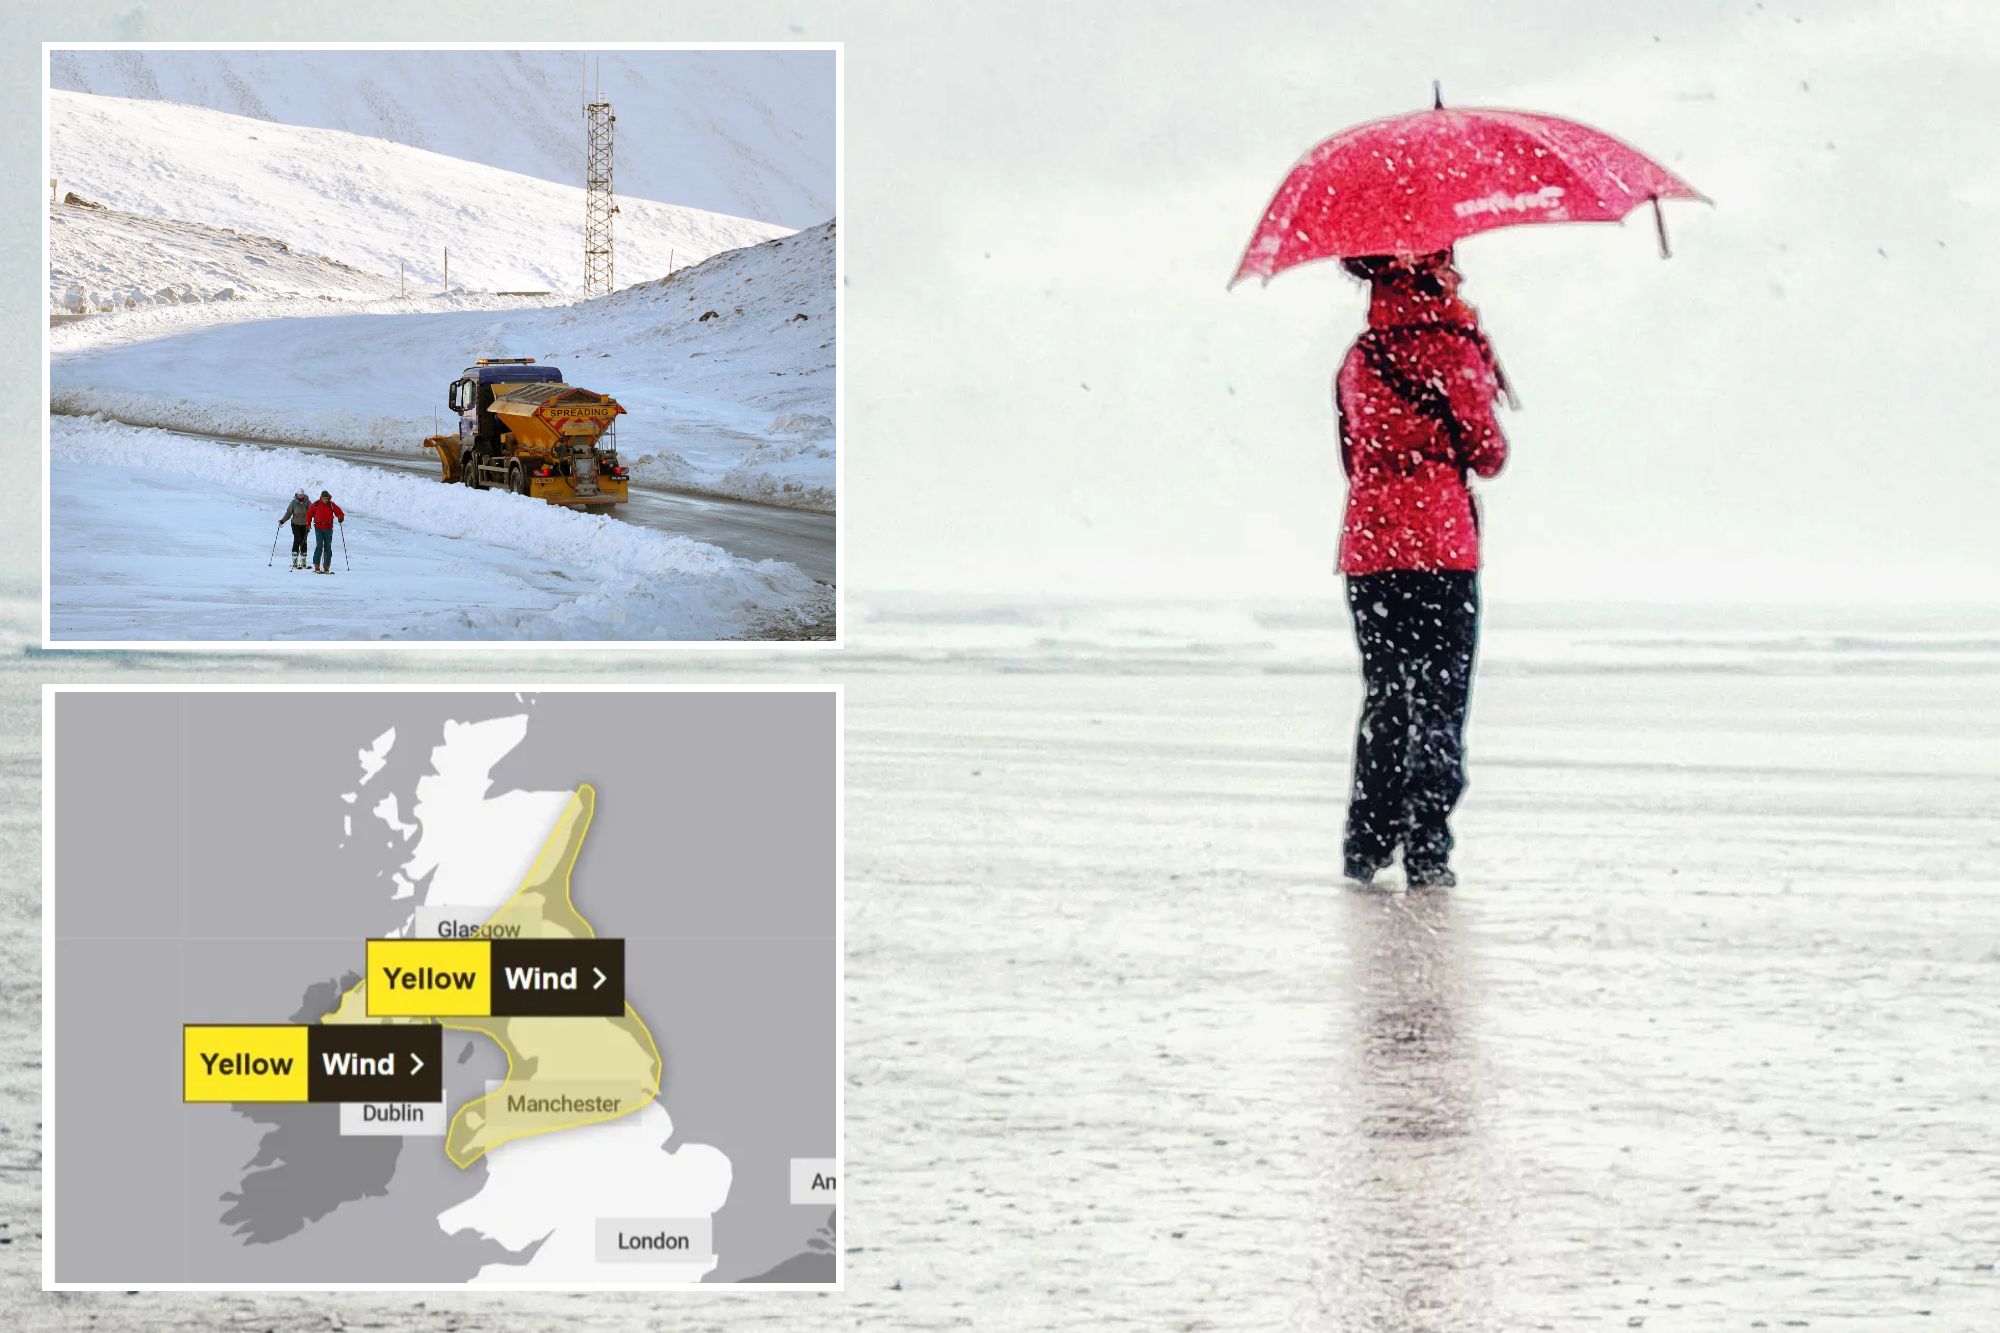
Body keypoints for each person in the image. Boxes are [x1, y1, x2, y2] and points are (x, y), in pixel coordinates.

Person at [1335, 249, 1507, 889]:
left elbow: (1354, 456)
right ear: (1441, 275)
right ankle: (1428, 849)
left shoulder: (1358, 360)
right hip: (1441, 548)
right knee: (1440, 700)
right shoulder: (1456, 348)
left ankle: (1367, 843)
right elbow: (1487, 455)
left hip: (1372, 551)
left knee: (1386, 697)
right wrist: (1479, 364)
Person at [305, 490, 344, 574]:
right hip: (318, 527)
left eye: (326, 498)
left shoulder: (331, 505)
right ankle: (317, 566)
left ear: (328, 498)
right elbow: (309, 514)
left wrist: (340, 517)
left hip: (328, 528)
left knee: (328, 547)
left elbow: (339, 512)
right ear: (321, 498)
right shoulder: (315, 504)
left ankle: (326, 567)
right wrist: (308, 524)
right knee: (319, 546)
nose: (325, 500)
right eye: (323, 498)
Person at [277, 489, 311, 570]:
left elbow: (312, 512)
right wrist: (282, 521)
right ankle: (294, 561)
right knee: (297, 540)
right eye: (299, 495)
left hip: (305, 525)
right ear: (297, 495)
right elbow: (289, 513)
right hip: (295, 524)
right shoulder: (294, 502)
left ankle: (303, 561)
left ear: (304, 495)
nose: (300, 496)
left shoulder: (307, 502)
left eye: (302, 495)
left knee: (304, 541)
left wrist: (316, 520)